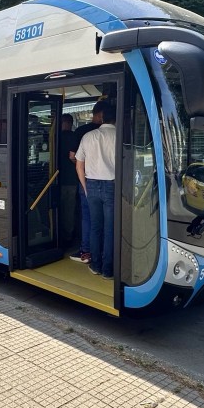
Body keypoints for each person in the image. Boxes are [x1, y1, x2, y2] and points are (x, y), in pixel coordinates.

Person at [75, 101, 116, 279]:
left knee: (95, 227)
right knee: (110, 229)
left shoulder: (88, 136)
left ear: (101, 117)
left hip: (91, 185)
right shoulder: (120, 136)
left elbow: (79, 165)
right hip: (112, 186)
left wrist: (85, 187)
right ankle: (108, 270)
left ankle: (96, 265)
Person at [68, 101, 104, 263]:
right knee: (105, 219)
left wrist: (86, 169)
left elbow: (72, 156)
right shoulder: (116, 132)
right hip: (110, 182)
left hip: (87, 180)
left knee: (88, 217)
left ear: (95, 114)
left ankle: (86, 251)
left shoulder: (83, 132)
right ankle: (103, 252)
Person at [58, 113, 79, 249]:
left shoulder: (54, 137)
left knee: (57, 208)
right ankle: (68, 236)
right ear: (71, 123)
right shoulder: (75, 137)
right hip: (72, 179)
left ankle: (56, 234)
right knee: (69, 209)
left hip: (55, 180)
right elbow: (74, 157)